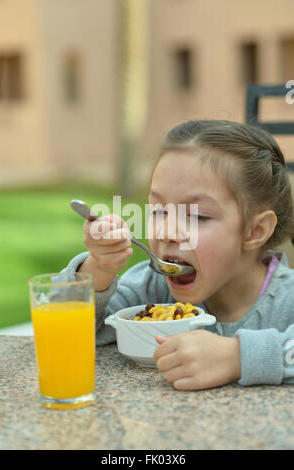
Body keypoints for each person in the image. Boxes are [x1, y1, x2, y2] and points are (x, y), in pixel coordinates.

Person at [62, 120, 294, 390]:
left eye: (197, 215)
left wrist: (237, 357)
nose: (166, 231)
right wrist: (98, 268)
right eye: (159, 211)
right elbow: (67, 330)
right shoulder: (151, 287)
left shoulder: (287, 300)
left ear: (255, 230)